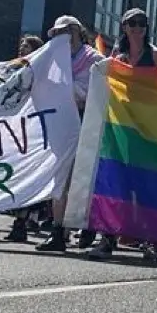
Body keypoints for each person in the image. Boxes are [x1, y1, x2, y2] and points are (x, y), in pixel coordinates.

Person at [85, 9, 157, 260]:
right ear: (123, 27)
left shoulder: (156, 55)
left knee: (146, 185)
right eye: (132, 23)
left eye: (142, 22)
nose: (137, 27)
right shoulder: (117, 56)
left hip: (149, 129)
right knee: (116, 181)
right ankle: (107, 237)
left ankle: (154, 239)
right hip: (121, 127)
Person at [36, 20, 103, 251]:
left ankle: (87, 226)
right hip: (60, 125)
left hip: (85, 124)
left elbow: (90, 92)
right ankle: (58, 231)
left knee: (83, 178)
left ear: (79, 33)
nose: (65, 36)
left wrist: (63, 89)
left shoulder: (93, 59)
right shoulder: (51, 61)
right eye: (60, 32)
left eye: (69, 31)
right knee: (60, 178)